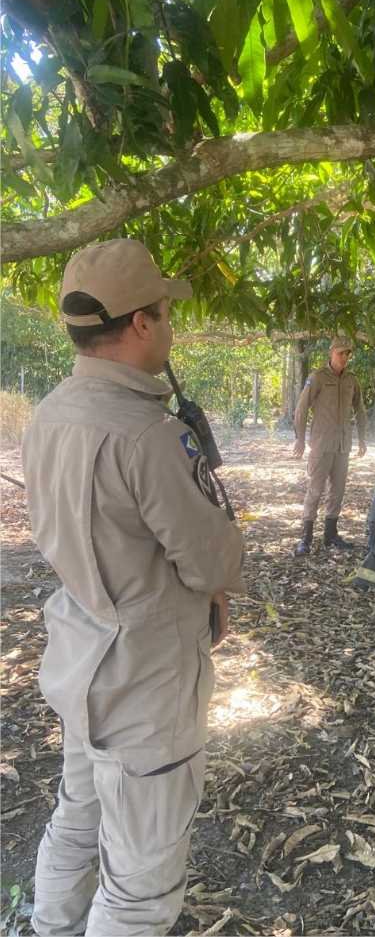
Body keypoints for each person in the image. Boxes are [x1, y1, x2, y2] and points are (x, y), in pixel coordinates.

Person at [22, 239, 245, 937]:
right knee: (140, 890)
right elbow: (210, 562)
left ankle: (48, 926)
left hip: (80, 667)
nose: (172, 327)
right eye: (166, 313)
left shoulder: (48, 415)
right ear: (142, 325)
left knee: (75, 819)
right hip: (144, 687)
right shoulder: (148, 435)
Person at [292, 336, 367, 555]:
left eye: (348, 353)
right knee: (315, 490)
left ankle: (330, 535)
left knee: (337, 492)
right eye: (341, 353)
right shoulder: (317, 377)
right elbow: (301, 408)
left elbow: (360, 410)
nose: (344, 357)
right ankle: (305, 538)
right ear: (331, 352)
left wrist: (362, 438)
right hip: (322, 444)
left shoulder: (352, 380)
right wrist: (299, 438)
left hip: (343, 445)